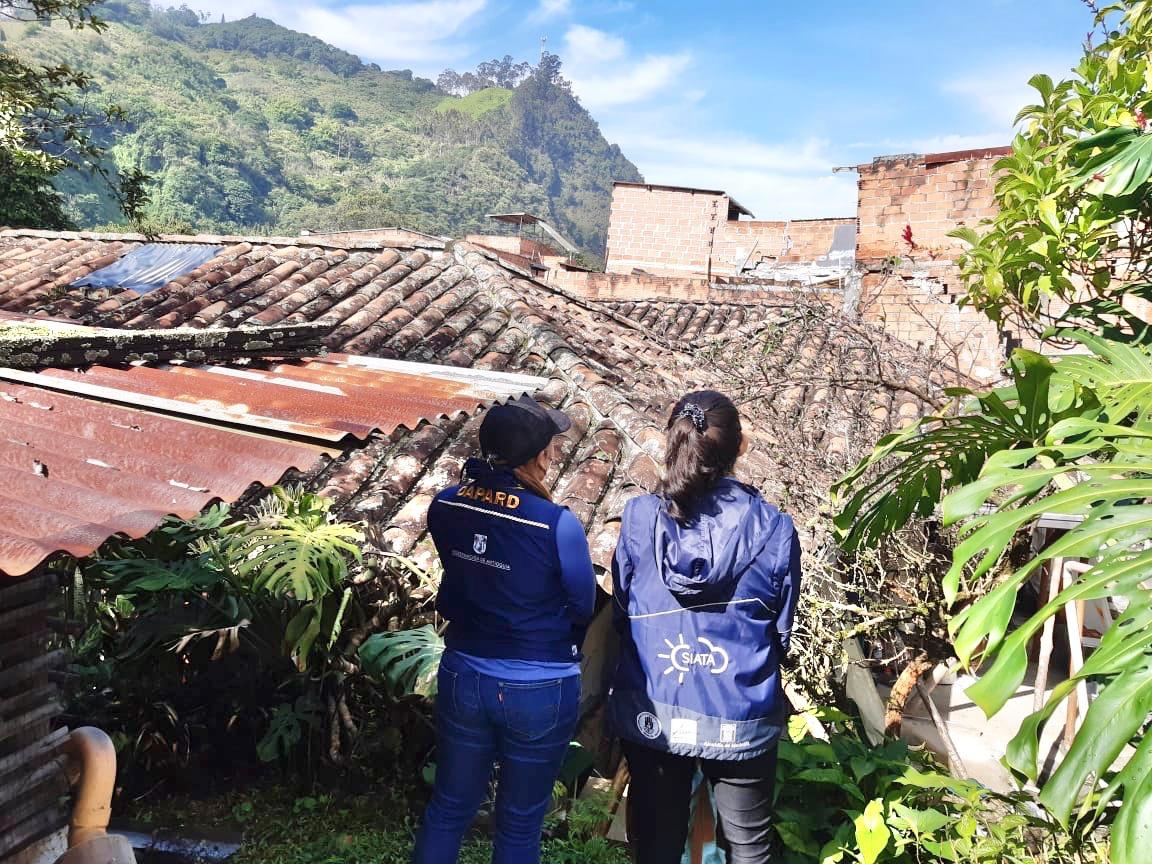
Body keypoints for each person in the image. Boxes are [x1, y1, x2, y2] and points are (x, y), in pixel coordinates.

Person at [608, 390, 801, 864]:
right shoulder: (774, 529)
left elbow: (622, 610)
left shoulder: (639, 517)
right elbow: (781, 629)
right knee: (749, 849)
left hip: (655, 708)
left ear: (673, 440)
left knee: (656, 846)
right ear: (741, 447)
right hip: (739, 712)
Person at [412, 394, 597, 864]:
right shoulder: (557, 524)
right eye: (551, 446)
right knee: (519, 824)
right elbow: (583, 604)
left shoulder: (446, 505)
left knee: (449, 807)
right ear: (539, 456)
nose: (554, 453)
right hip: (540, 685)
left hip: (465, 673)